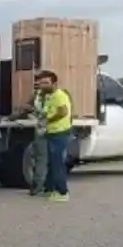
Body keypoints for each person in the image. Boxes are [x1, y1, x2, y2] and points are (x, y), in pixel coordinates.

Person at [36, 70, 72, 202]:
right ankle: (50, 189)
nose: (43, 85)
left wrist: (48, 120)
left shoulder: (59, 95)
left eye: (46, 83)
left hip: (59, 132)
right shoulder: (48, 96)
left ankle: (62, 192)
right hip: (51, 132)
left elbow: (62, 112)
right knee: (52, 163)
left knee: (57, 163)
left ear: (54, 83)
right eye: (41, 83)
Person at [9, 90, 49, 196]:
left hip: (43, 134)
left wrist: (30, 110)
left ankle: (37, 186)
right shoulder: (38, 103)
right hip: (40, 135)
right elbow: (15, 115)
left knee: (39, 161)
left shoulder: (46, 104)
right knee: (39, 161)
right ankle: (38, 186)